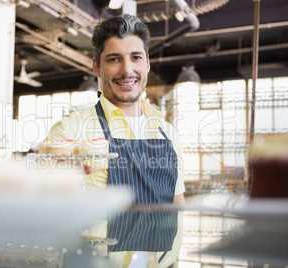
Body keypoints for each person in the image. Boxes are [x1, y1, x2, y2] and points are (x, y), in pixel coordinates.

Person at [44, 13, 185, 267]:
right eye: (114, 59)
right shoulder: (70, 131)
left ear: (147, 63)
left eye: (136, 57)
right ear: (96, 66)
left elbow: (176, 204)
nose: (127, 70)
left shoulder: (167, 133)